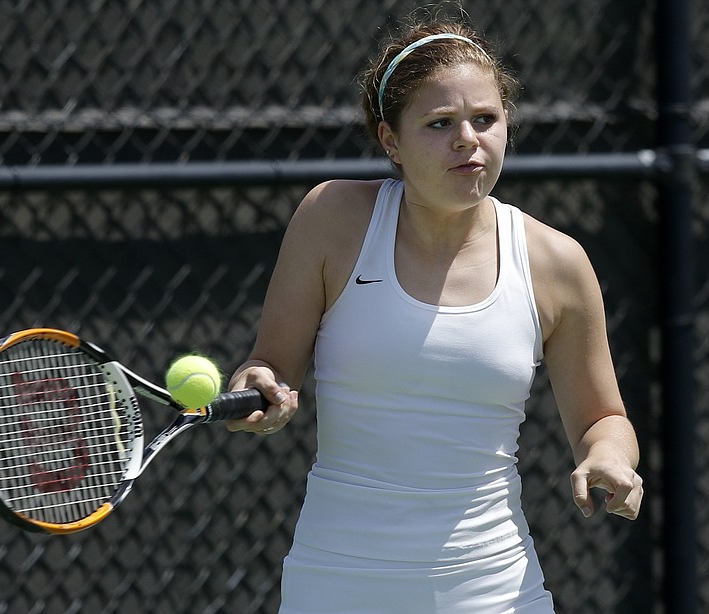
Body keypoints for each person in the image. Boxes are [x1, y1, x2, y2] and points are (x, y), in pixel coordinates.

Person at [227, 15, 644, 613]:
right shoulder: (331, 219)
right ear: (390, 141)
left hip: (496, 592)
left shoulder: (557, 262)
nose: (467, 139)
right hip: (337, 583)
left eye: (485, 119)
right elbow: (268, 365)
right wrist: (258, 388)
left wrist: (607, 457)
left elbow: (604, 417)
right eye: (439, 123)